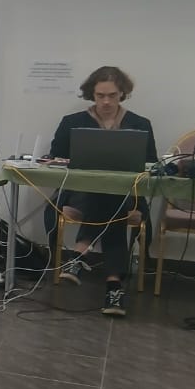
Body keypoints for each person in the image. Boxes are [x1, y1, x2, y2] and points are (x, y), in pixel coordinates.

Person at [43, 66, 157, 316]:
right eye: (100, 95)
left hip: (126, 196)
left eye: (112, 95)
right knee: (109, 203)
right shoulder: (72, 122)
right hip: (80, 195)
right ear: (91, 94)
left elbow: (150, 165)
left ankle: (80, 253)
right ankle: (114, 288)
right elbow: (56, 158)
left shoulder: (140, 124)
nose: (106, 101)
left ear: (122, 93)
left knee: (111, 197)